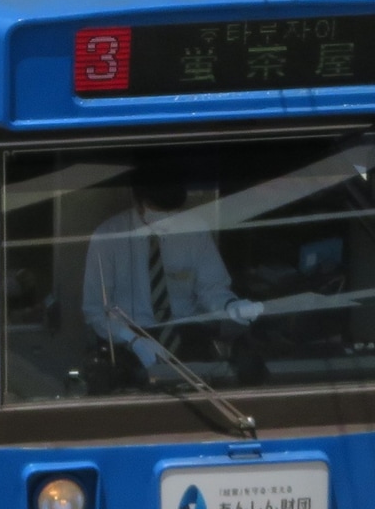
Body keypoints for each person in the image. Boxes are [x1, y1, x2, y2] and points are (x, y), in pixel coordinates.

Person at [82, 159, 263, 373]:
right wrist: (133, 340)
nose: (167, 220)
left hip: (187, 339)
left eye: (173, 212)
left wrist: (231, 307)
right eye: (159, 212)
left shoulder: (193, 230)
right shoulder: (108, 236)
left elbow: (211, 289)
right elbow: (95, 311)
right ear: (139, 203)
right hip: (128, 344)